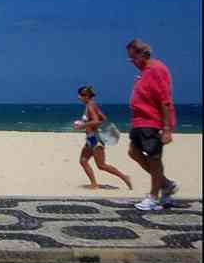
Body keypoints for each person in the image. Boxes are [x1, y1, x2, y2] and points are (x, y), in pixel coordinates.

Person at [125, 39, 178, 211]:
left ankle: (154, 196)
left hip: (151, 121)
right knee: (133, 152)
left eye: (133, 58)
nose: (132, 62)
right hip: (140, 122)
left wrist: (167, 128)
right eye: (130, 60)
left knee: (154, 158)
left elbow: (165, 99)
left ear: (144, 54)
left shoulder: (156, 69)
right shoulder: (143, 72)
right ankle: (166, 184)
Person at [74, 86, 132, 190]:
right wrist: (88, 124)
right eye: (79, 95)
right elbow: (103, 119)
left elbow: (96, 120)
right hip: (91, 138)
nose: (79, 97)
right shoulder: (90, 105)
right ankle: (94, 184)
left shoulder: (91, 106)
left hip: (96, 139)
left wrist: (82, 125)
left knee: (101, 165)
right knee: (83, 160)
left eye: (81, 95)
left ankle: (125, 177)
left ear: (87, 96)